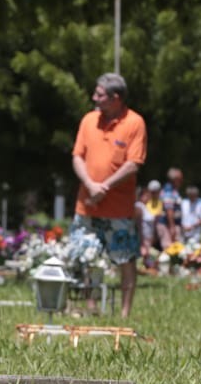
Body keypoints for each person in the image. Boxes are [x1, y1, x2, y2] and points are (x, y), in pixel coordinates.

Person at [70, 72, 147, 318]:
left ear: (116, 98)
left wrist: (104, 187)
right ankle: (91, 308)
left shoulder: (135, 123)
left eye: (99, 94)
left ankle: (125, 313)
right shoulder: (88, 120)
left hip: (119, 210)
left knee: (125, 259)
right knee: (86, 258)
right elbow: (77, 156)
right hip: (87, 207)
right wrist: (90, 185)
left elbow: (134, 163)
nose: (94, 98)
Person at [157, 167, 183, 250]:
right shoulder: (169, 190)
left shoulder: (173, 190)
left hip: (171, 224)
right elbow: (169, 209)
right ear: (174, 179)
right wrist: (172, 226)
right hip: (168, 224)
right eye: (180, 179)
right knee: (170, 250)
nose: (182, 181)